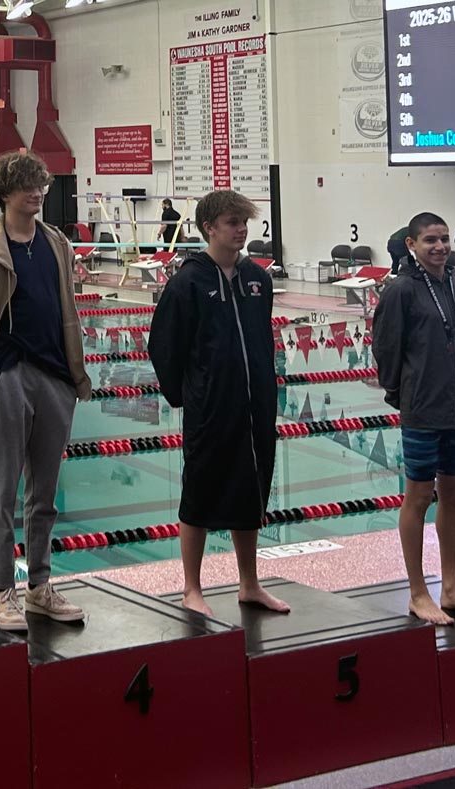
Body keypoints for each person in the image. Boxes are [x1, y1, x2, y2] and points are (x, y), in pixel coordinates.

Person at [0, 152, 93, 629]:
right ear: (5, 193)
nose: (37, 193)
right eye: (27, 186)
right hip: (6, 372)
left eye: (41, 185)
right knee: (3, 488)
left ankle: (40, 587)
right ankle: (1, 590)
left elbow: (66, 307)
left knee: (46, 492)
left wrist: (72, 371)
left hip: (54, 373)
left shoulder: (56, 243)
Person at [149, 190, 290, 616]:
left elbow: (262, 342)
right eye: (232, 222)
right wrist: (189, 395)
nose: (241, 229)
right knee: (200, 492)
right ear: (209, 227)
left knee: (251, 492)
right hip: (211, 408)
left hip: (256, 407)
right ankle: (192, 588)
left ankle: (250, 584)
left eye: (244, 222)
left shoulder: (257, 280)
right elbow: (163, 347)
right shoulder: (188, 283)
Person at [372, 213, 455, 625]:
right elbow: (386, 349)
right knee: (419, 497)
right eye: (430, 240)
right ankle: (418, 593)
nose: (439, 246)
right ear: (411, 244)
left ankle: (452, 588)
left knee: (454, 497)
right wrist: (402, 396)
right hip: (423, 410)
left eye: (444, 239)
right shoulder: (401, 290)